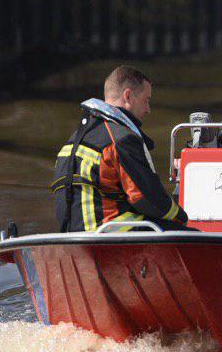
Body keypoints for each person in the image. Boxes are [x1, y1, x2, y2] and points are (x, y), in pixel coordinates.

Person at [52, 65, 188, 232]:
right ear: (128, 96)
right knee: (191, 237)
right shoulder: (121, 138)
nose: (148, 110)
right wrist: (181, 218)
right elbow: (146, 198)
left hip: (71, 236)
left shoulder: (73, 142)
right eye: (146, 101)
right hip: (110, 233)